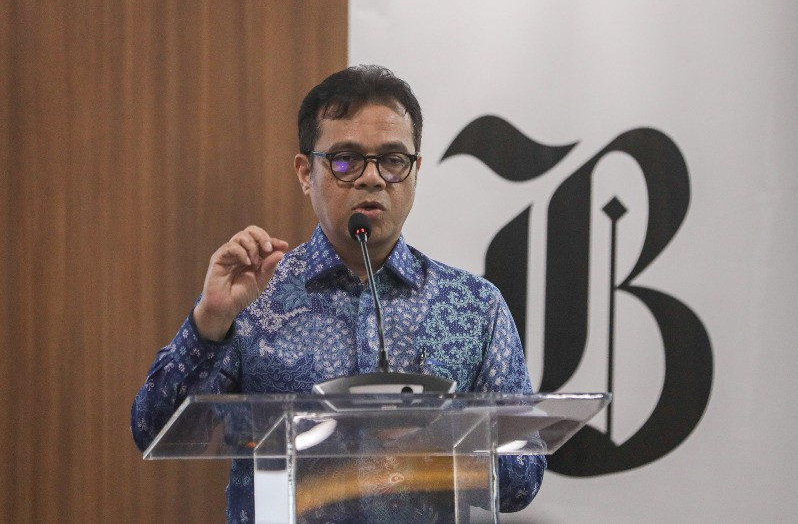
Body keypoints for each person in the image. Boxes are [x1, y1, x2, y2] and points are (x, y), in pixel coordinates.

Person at [131, 65, 545, 522]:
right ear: (305, 172)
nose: (372, 178)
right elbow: (155, 431)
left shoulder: (472, 306)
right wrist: (210, 321)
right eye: (346, 159)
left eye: (393, 160)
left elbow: (522, 480)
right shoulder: (254, 298)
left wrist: (434, 436)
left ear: (415, 170)